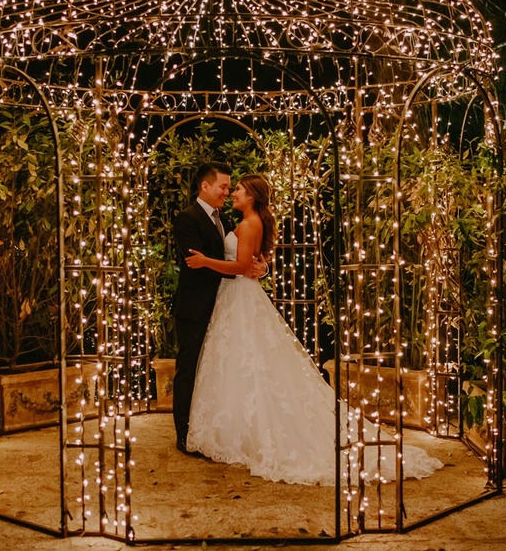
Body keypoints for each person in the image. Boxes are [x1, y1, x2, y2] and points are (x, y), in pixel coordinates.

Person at [184, 174, 444, 485]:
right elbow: (251, 261)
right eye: (229, 188)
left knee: (250, 361)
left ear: (251, 196)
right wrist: (259, 266)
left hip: (239, 295)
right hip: (235, 297)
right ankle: (238, 428)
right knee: (240, 363)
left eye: (237, 189)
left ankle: (253, 432)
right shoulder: (242, 221)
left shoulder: (250, 223)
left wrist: (204, 262)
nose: (233, 193)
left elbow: (241, 266)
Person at [171, 161, 266, 456]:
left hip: (223, 304)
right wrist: (240, 270)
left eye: (230, 187)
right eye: (224, 186)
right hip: (195, 305)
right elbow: (194, 265)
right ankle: (184, 434)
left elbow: (244, 254)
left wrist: (258, 267)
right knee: (188, 368)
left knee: (216, 370)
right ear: (205, 186)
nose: (227, 191)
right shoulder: (187, 218)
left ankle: (214, 430)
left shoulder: (223, 218)